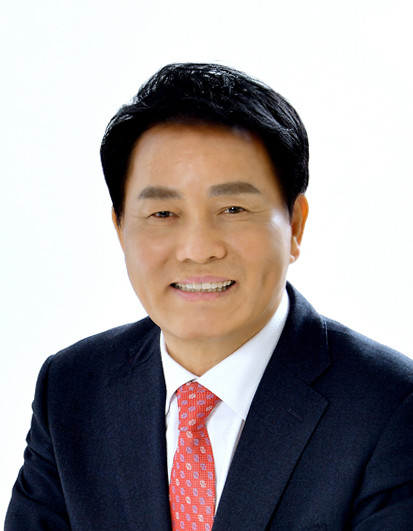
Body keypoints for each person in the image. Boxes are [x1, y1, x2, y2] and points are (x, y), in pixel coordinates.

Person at [5, 63, 413, 530]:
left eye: (233, 208)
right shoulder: (72, 390)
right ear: (120, 228)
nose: (198, 250)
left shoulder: (388, 407)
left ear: (295, 226)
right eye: (162, 214)